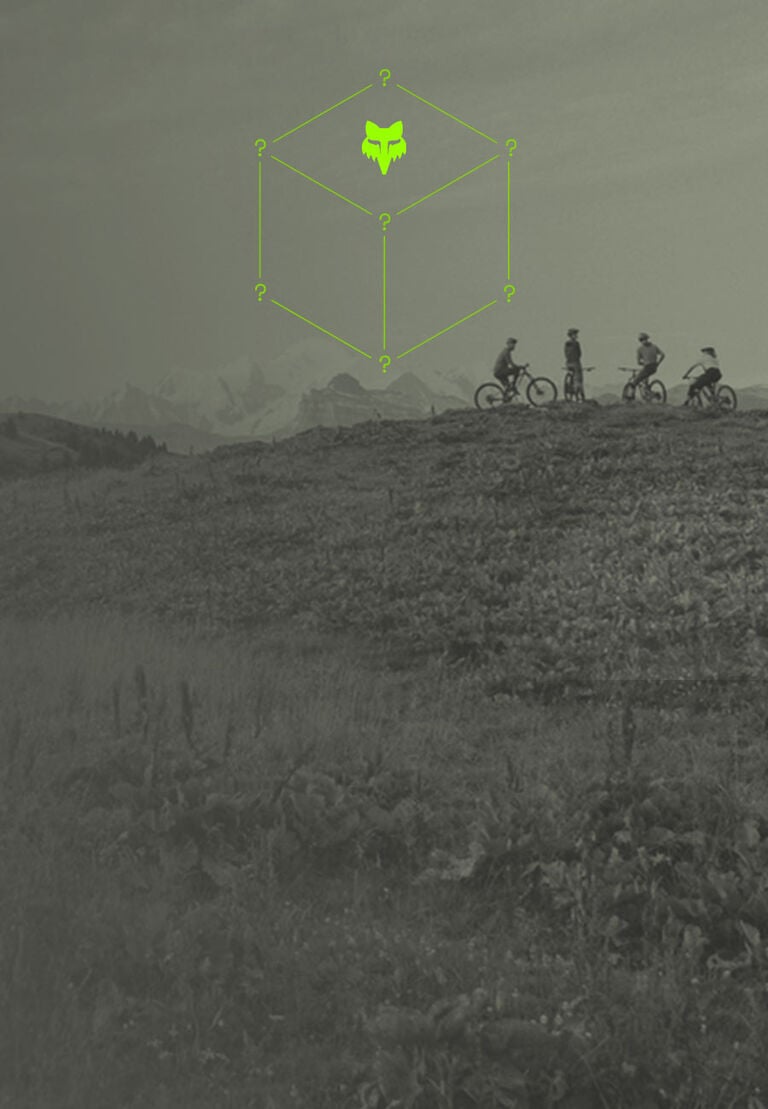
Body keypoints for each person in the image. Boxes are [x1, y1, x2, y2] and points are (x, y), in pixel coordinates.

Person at [564, 327, 583, 400]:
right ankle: (580, 395)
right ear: (572, 335)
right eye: (575, 334)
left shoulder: (566, 343)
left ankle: (571, 393)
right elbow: (579, 353)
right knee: (579, 378)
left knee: (571, 378)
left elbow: (566, 353)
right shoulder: (576, 343)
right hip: (576, 363)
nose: (576, 335)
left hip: (568, 363)